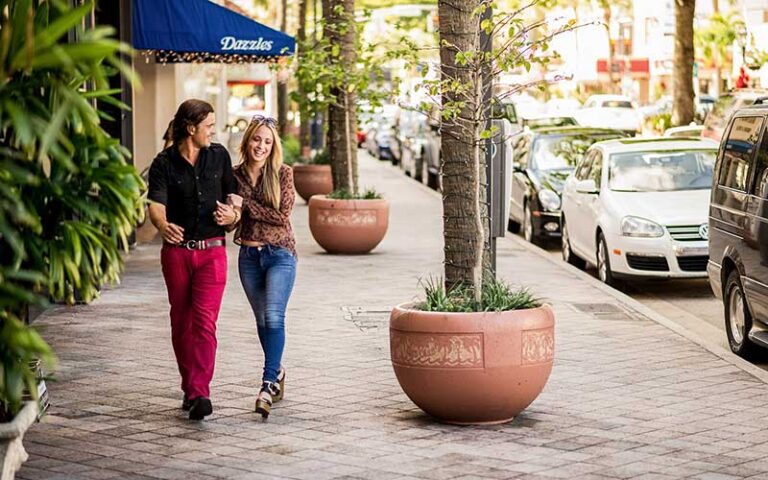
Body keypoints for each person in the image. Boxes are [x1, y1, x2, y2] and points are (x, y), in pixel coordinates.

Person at [147, 99, 241, 421]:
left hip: (213, 252)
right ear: (191, 128)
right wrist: (162, 224)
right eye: (209, 127)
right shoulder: (163, 163)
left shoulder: (219, 156)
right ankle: (190, 386)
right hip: (176, 254)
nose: (214, 132)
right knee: (181, 322)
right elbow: (156, 205)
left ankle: (200, 391)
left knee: (204, 322)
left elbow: (234, 195)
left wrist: (233, 213)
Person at [231, 115, 297, 419]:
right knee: (262, 320)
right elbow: (232, 216)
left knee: (274, 315)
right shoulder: (233, 176)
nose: (261, 146)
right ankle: (278, 371)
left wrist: (243, 205)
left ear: (274, 147)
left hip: (280, 254)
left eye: (267, 142)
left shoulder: (283, 174)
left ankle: (268, 383)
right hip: (248, 256)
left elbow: (282, 216)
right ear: (248, 141)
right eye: (257, 139)